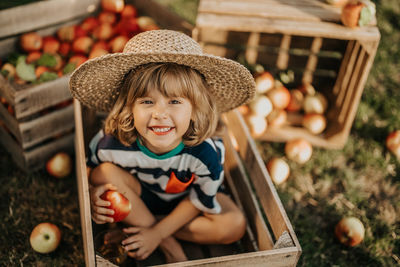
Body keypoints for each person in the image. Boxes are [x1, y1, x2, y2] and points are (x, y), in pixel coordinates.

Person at [69, 29, 256, 263]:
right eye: (147, 101)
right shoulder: (110, 144)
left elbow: (200, 199)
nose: (159, 114)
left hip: (186, 207)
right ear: (129, 108)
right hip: (139, 196)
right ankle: (171, 249)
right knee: (103, 172)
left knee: (234, 225)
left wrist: (156, 232)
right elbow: (90, 172)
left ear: (195, 110)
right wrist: (92, 193)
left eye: (175, 101)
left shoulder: (205, 152)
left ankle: (139, 228)